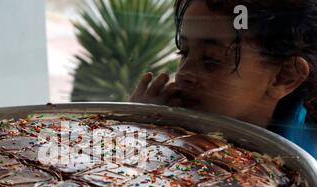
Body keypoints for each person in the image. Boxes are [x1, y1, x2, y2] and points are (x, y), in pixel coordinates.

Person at [130, 0, 317, 158]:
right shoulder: (176, 122)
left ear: (284, 77)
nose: (183, 74)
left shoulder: (300, 167)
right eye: (184, 52)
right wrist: (138, 129)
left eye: (212, 58)